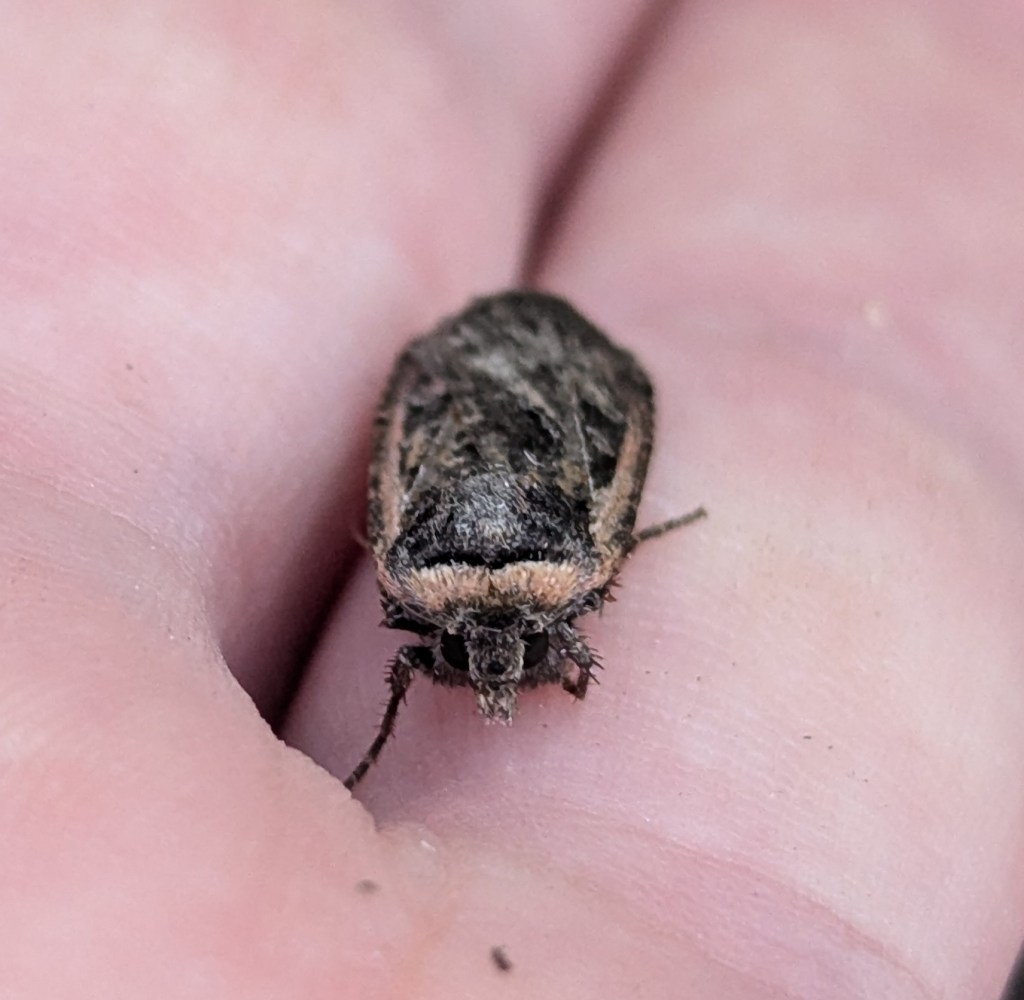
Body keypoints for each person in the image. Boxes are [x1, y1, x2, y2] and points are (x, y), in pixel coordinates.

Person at [2, 2, 1022, 996]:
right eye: (500, 660)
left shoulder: (448, 582)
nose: (493, 676)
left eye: (501, 658)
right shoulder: (507, 580)